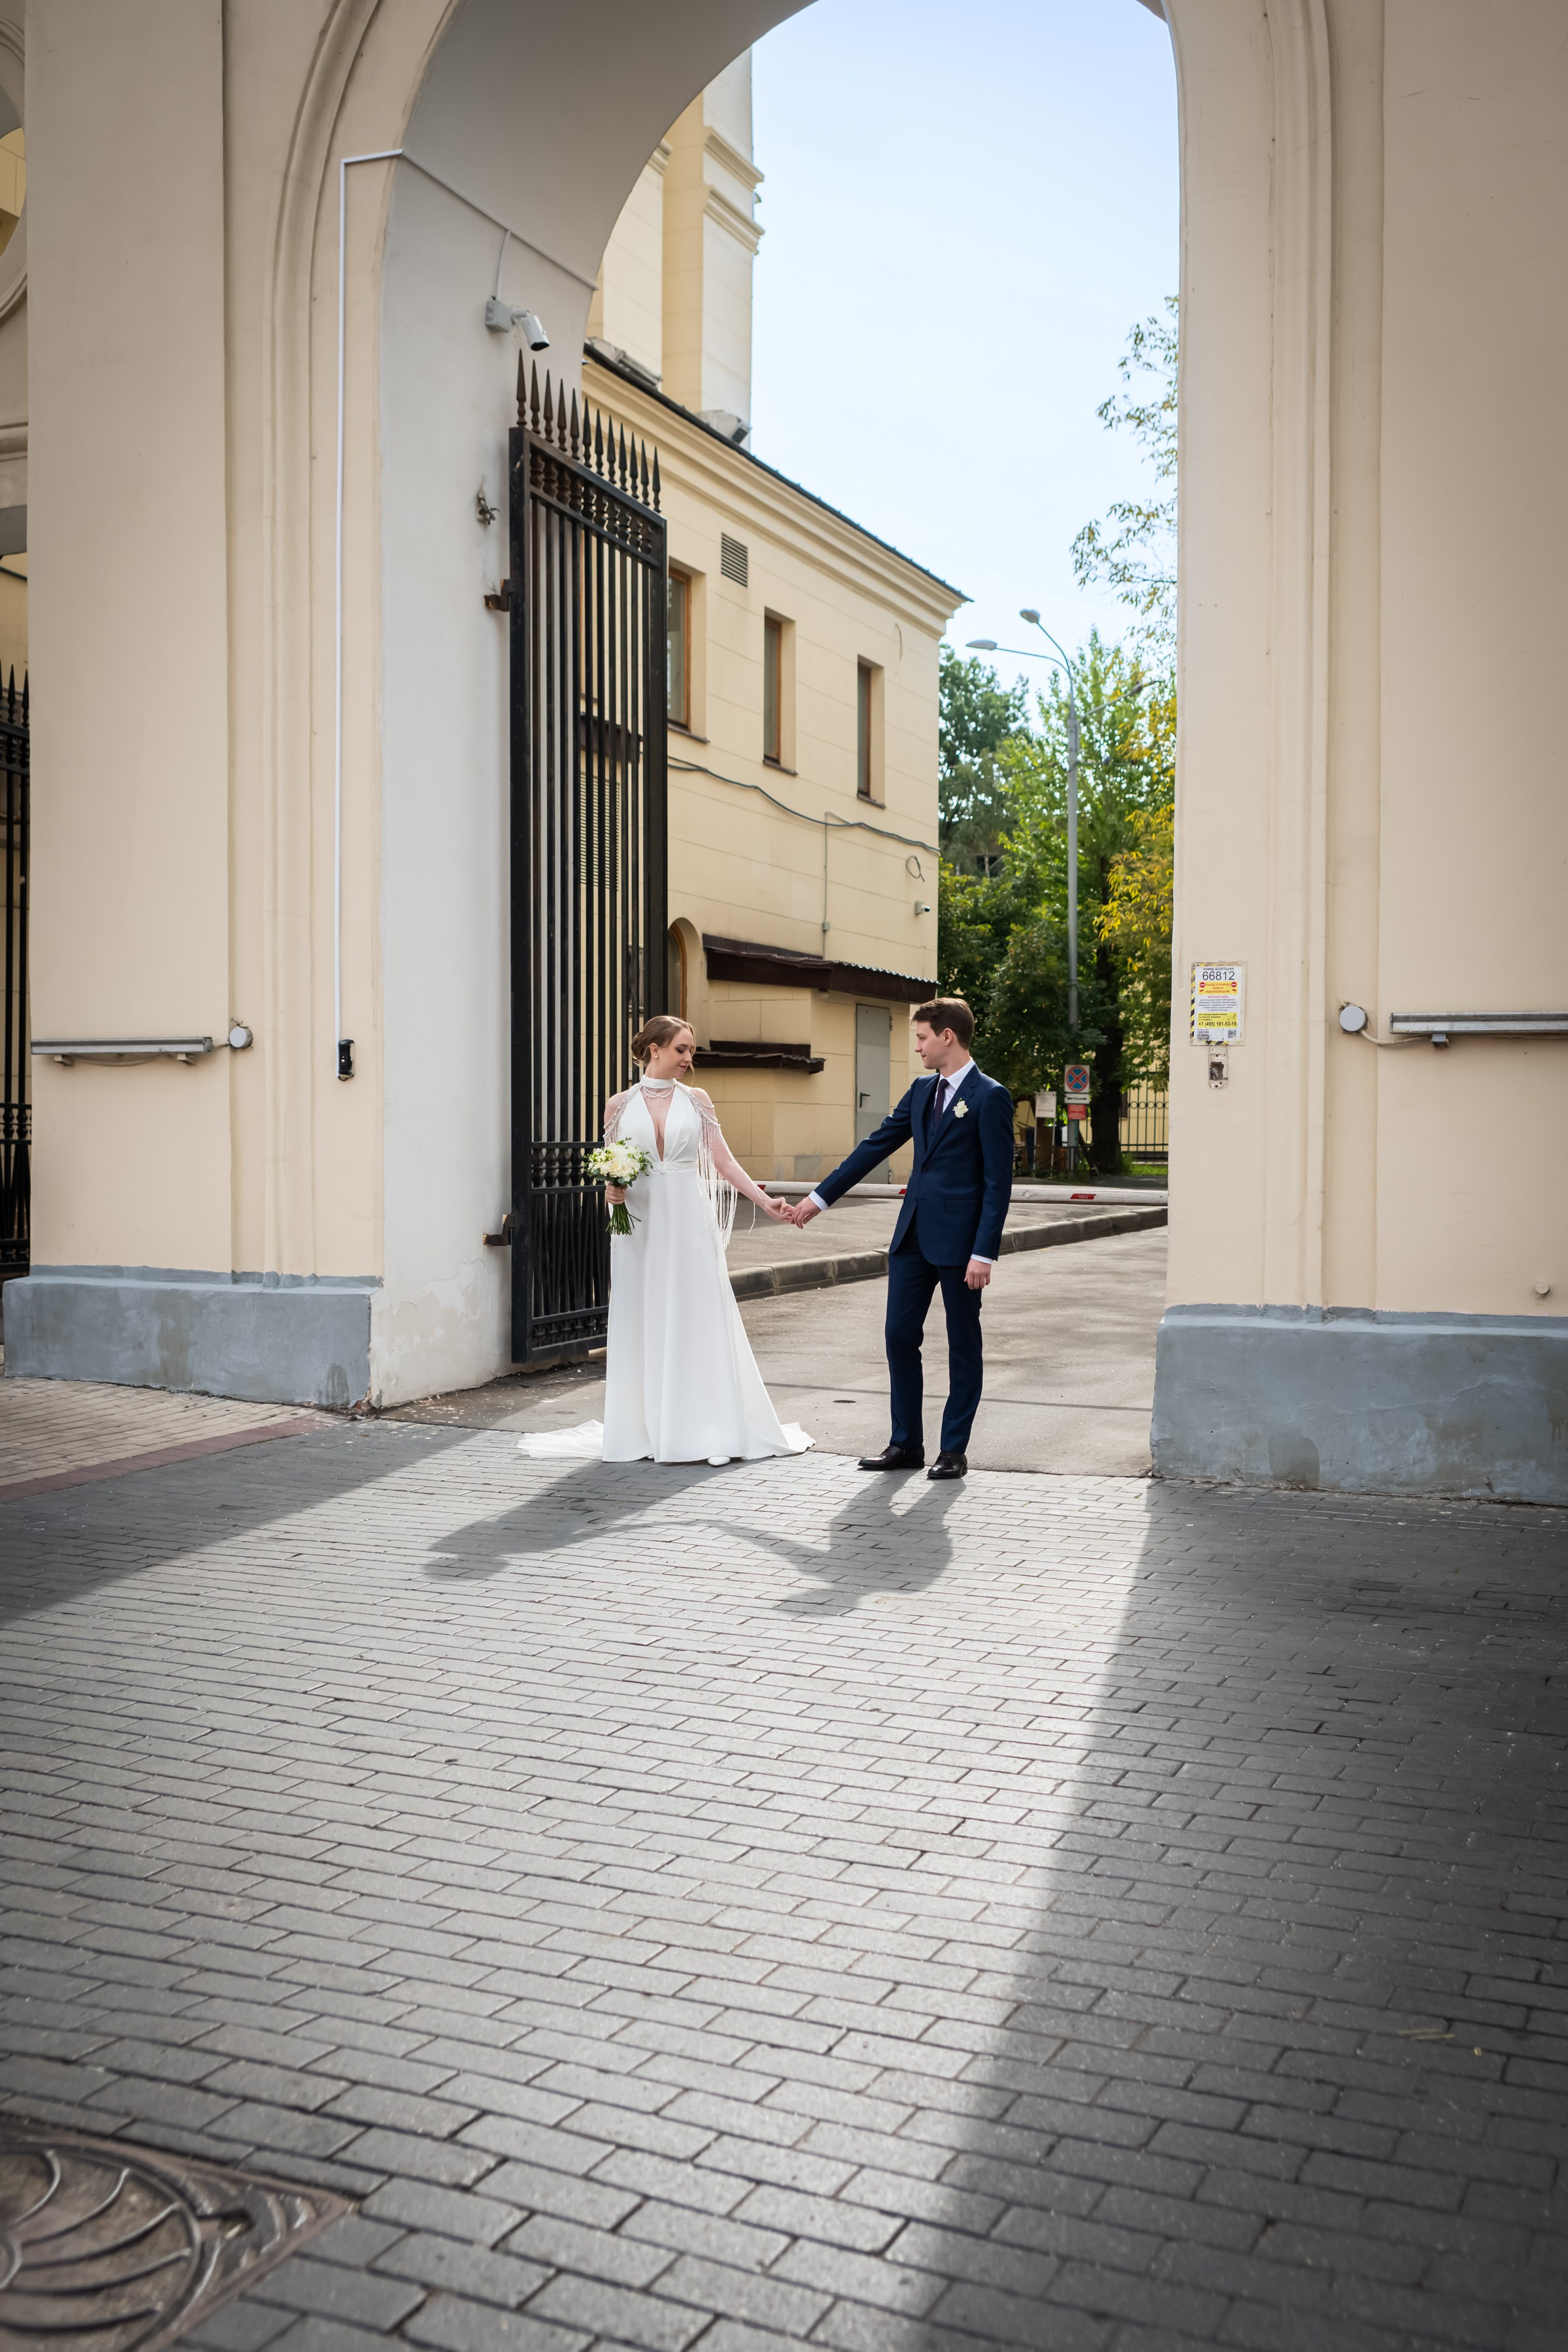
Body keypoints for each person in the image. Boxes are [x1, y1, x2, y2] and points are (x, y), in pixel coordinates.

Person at [519, 1016, 811, 1466]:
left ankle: (708, 1426)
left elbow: (723, 1159)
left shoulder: (697, 1100)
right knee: (644, 1314)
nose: (689, 1059)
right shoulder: (619, 1104)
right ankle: (647, 1427)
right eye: (681, 1049)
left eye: (690, 1051)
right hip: (637, 1224)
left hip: (687, 1219)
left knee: (697, 1312)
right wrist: (610, 1190)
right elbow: (611, 1166)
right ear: (654, 1049)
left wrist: (763, 1199)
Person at [787, 997, 1012, 1479]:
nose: (918, 1047)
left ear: (947, 1036)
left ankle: (953, 1450)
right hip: (911, 1235)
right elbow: (876, 1146)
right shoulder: (920, 1090)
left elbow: (998, 1182)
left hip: (961, 1245)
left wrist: (983, 1252)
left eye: (923, 1037)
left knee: (962, 1344)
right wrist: (819, 1199)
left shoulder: (990, 1096)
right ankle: (905, 1443)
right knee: (897, 1336)